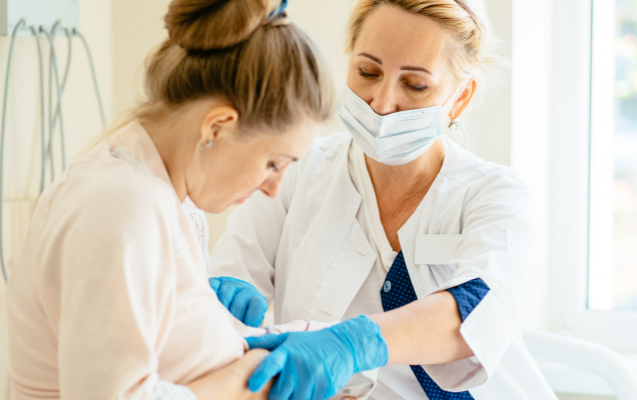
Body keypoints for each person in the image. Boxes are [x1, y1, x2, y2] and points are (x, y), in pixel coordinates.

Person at [210, 0, 556, 399]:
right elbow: (232, 279)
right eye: (368, 72)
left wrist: (354, 343)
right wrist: (223, 301)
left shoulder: (496, 195)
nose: (382, 102)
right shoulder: (298, 170)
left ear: (460, 98)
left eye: (415, 85)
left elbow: (478, 310)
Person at [6, 0, 337, 399]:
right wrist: (252, 378)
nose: (274, 188)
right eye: (272, 163)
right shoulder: (121, 207)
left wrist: (273, 337)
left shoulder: (167, 197)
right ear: (217, 126)